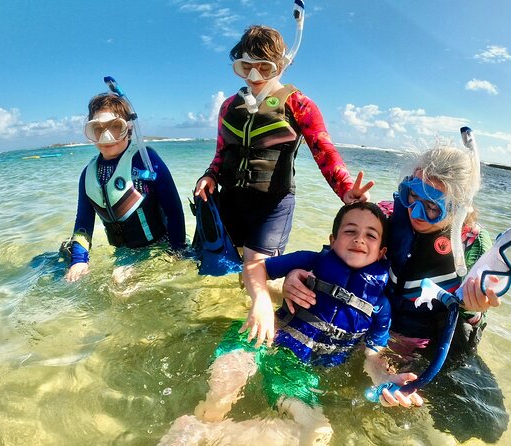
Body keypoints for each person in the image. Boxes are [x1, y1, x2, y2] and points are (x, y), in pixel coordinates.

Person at [282, 143, 510, 441]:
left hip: (427, 343)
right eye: (412, 196)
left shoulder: (471, 245)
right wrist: (294, 275)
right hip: (373, 328)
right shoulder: (387, 216)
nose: (416, 212)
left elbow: (473, 311)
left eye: (432, 207)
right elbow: (339, 256)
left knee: (485, 425)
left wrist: (477, 307)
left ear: (457, 208)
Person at [165, 203, 422, 445]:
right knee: (216, 404)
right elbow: (254, 268)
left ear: (382, 252)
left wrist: (386, 379)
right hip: (258, 338)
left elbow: (373, 354)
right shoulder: (311, 261)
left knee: (317, 433)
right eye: (350, 231)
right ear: (333, 241)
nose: (359, 239)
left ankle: (204, 432)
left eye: (371, 235)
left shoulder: (380, 306)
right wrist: (262, 302)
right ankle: (205, 423)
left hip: (295, 370)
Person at [193, 25, 373, 264]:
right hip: (231, 201)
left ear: (281, 66)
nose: (254, 77)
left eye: (264, 68)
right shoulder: (228, 107)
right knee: (215, 265)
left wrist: (346, 188)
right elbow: (221, 153)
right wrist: (210, 176)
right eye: (246, 67)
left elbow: (324, 150)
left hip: (273, 204)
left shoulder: (299, 104)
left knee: (256, 269)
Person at [63, 93, 186, 282]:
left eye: (115, 127)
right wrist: (79, 261)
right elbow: (83, 223)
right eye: (97, 129)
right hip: (123, 253)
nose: (106, 136)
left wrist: (176, 252)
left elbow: (174, 211)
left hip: (160, 247)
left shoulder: (147, 161)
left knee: (119, 280)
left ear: (128, 129)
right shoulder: (87, 175)